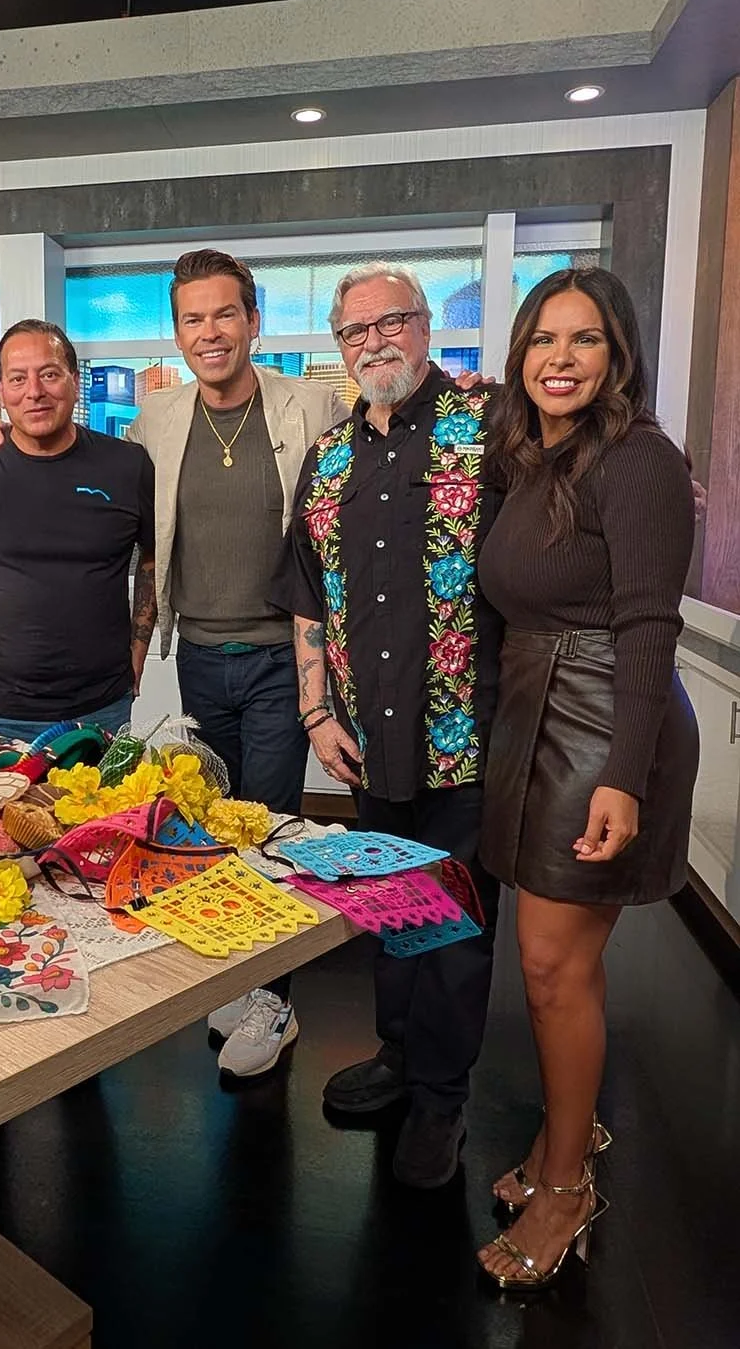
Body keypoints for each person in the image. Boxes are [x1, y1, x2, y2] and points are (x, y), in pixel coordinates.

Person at [0, 250, 346, 1077]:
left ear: (253, 320)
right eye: (192, 319)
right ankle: (242, 977)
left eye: (224, 315)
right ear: (177, 331)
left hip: (285, 659)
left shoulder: (313, 405)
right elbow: (101, 496)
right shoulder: (154, 423)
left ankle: (274, 1001)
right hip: (204, 659)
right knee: (211, 826)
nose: (208, 333)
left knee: (271, 824)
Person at [475, 268, 697, 1289]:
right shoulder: (530, 459)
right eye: (541, 340)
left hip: (606, 714)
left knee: (549, 964)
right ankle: (569, 1134)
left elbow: (650, 620)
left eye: (585, 340)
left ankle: (566, 1183)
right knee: (557, 964)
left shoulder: (640, 461)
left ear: (618, 356)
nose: (558, 359)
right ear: (519, 356)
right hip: (536, 707)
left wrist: (623, 774)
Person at [273, 261, 503, 1188]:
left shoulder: (490, 433)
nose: (374, 342)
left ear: (426, 328)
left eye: (392, 321)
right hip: (364, 740)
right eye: (354, 331)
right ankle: (400, 1056)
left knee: (455, 926)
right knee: (391, 908)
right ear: (339, 349)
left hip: (466, 739)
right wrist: (313, 708)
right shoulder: (328, 456)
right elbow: (307, 594)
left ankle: (443, 1100)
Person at [0, 319, 157, 743]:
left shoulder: (128, 466)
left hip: (103, 710)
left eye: (49, 374)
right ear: (1, 391)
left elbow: (154, 559)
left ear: (75, 382)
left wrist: (138, 652)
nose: (34, 392)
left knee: (107, 812)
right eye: (18, 378)